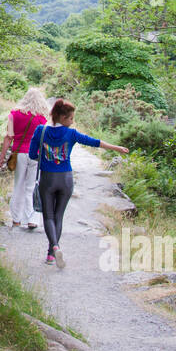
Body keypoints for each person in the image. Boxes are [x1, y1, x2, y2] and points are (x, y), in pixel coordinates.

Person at [29, 98, 129, 267]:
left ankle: (54, 248)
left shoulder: (41, 130)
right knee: (59, 215)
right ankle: (51, 253)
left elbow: (32, 155)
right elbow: (94, 142)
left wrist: (46, 156)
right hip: (66, 179)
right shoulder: (71, 133)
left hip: (47, 178)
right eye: (70, 118)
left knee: (48, 216)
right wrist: (117, 148)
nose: (72, 121)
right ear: (61, 117)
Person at [0, 87, 48, 230]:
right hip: (35, 155)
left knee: (18, 186)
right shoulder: (41, 118)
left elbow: (9, 136)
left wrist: (2, 156)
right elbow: (44, 140)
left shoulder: (14, 115)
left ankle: (16, 219)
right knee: (31, 186)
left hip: (19, 154)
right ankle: (31, 218)